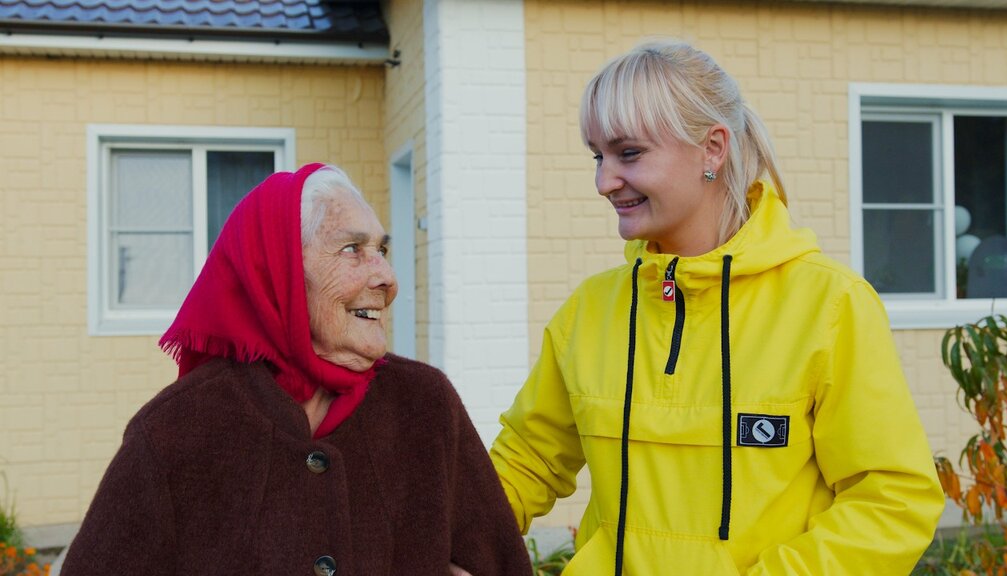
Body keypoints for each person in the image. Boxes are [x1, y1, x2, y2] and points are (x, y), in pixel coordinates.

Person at [489, 40, 945, 575]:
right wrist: (437, 542)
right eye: (598, 156)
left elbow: (892, 500)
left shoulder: (830, 305)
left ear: (713, 148)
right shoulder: (589, 312)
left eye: (628, 153)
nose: (603, 181)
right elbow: (525, 465)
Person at [60, 163, 532, 575]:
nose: (386, 278)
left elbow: (499, 563)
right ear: (278, 270)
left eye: (382, 251)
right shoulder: (176, 430)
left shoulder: (424, 405)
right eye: (353, 249)